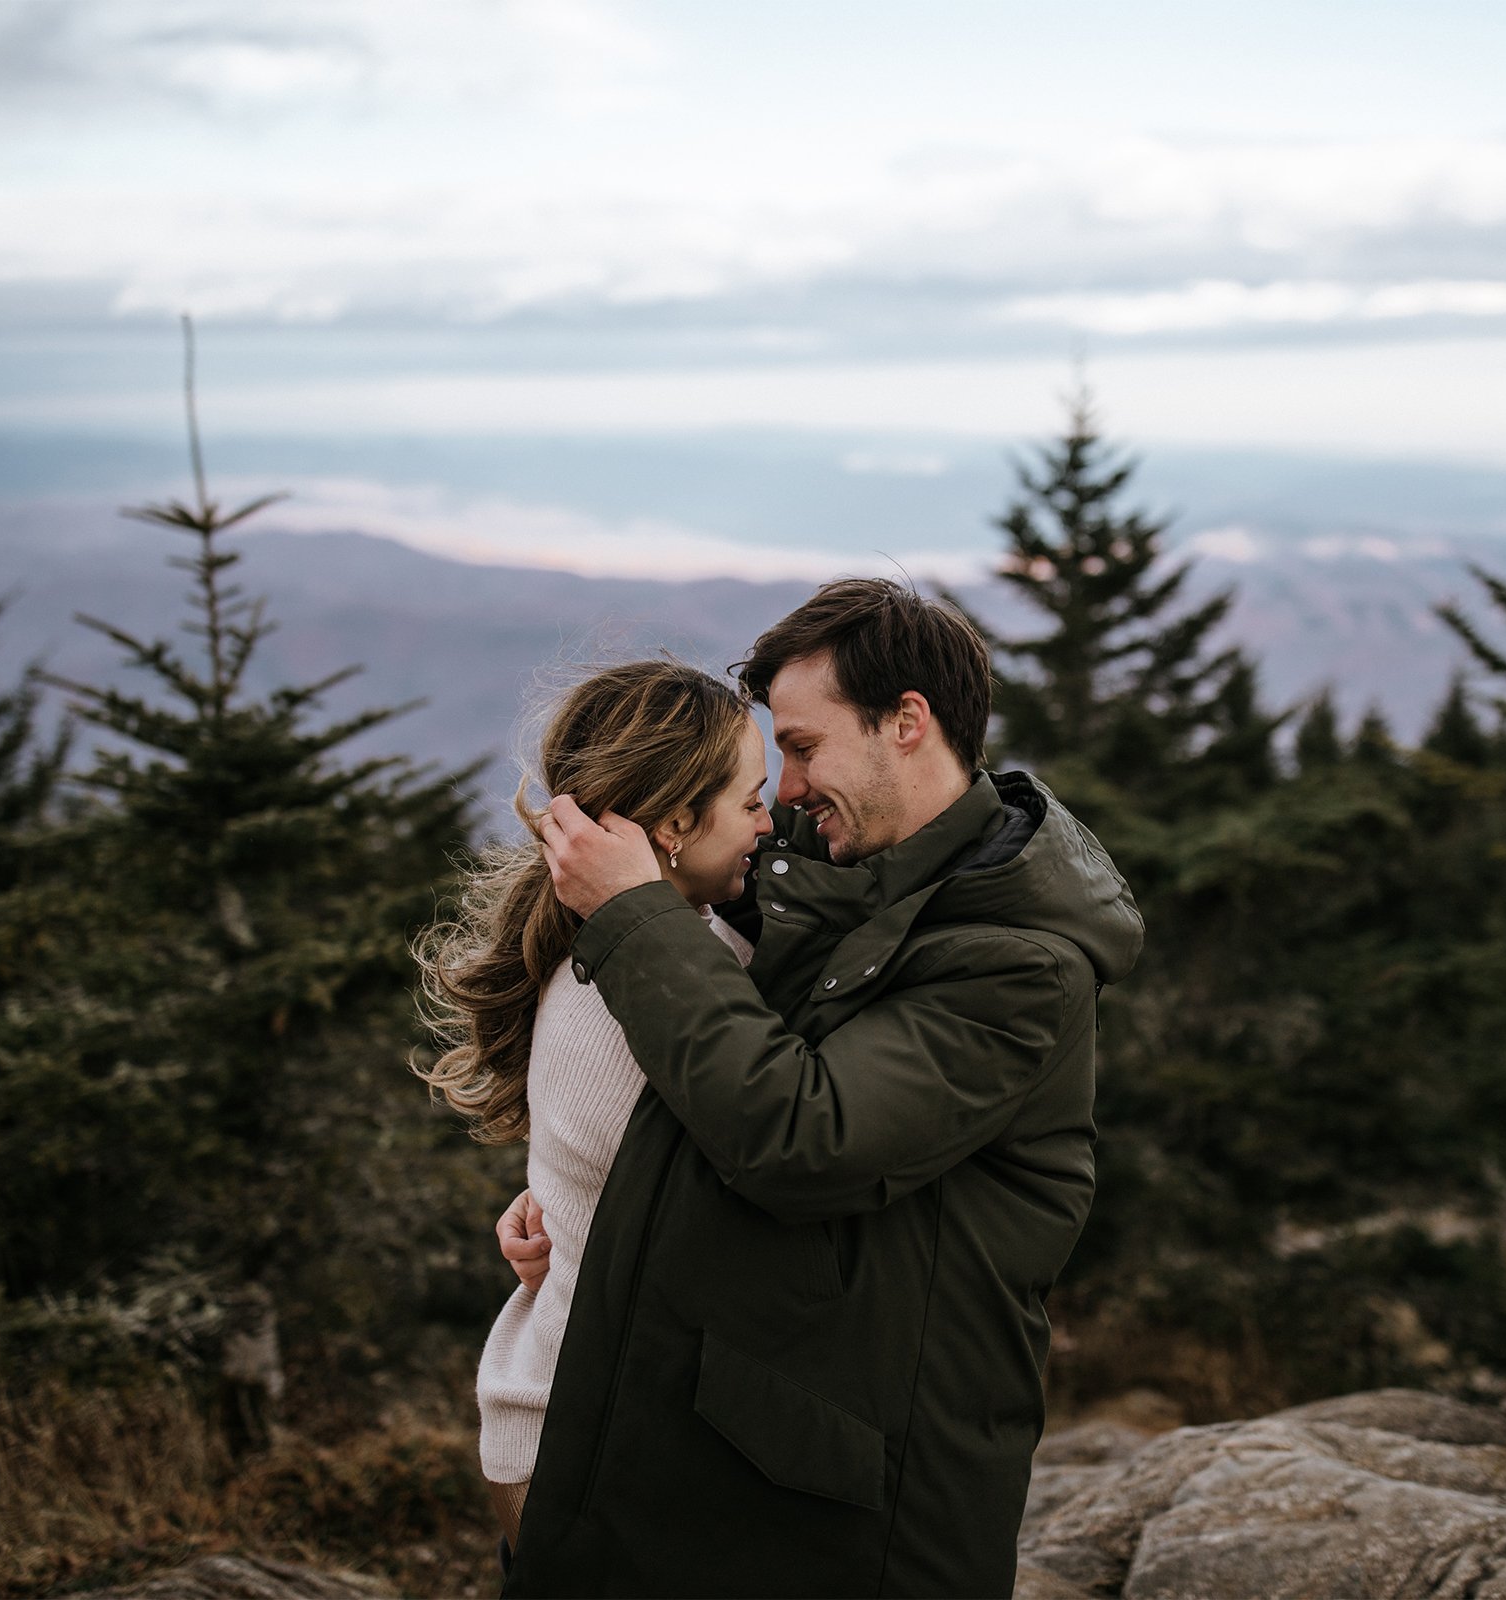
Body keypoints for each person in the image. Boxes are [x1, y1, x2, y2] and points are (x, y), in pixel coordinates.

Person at [502, 578, 1143, 1598]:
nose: (785, 793)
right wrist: (582, 1192)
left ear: (907, 723)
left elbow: (802, 1136)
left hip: (875, 1504)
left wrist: (634, 916)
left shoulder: (1017, 966)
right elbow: (699, 1073)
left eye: (801, 748)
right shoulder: (846, 870)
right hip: (763, 1463)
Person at [412, 660, 772, 1557]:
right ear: (678, 826)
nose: (774, 822)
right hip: (587, 1437)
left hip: (575, 1411)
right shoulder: (650, 979)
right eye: (754, 799)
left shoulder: (644, 948)